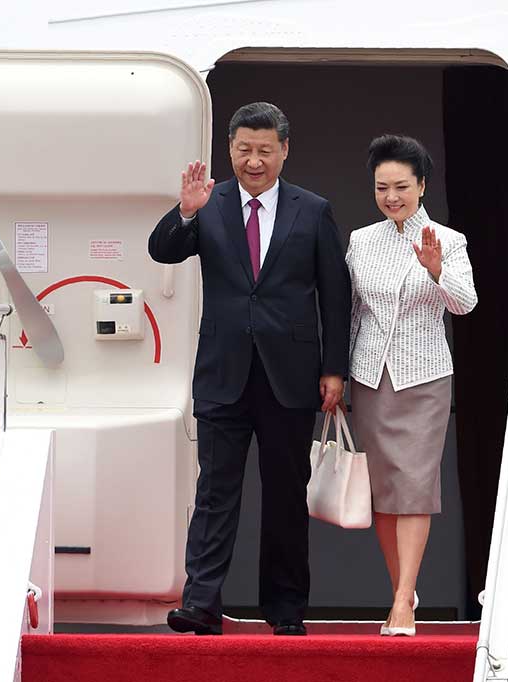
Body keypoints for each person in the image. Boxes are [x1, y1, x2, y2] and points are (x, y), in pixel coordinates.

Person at [149, 102, 351, 636]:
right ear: (230, 150)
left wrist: (335, 369)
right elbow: (162, 251)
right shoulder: (209, 203)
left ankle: (284, 610)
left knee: (286, 493)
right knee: (215, 490)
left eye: (265, 150)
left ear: (284, 150)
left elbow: (335, 295)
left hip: (291, 373)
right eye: (244, 150)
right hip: (223, 372)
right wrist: (186, 212)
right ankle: (201, 603)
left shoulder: (313, 210)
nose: (253, 161)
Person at [345, 135, 477, 636]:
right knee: (384, 492)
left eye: (402, 186)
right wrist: (337, 372)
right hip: (370, 377)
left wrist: (437, 270)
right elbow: (353, 312)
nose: (392, 196)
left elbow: (465, 304)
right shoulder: (361, 239)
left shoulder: (449, 239)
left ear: (422, 186)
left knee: (416, 488)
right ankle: (403, 583)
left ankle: (402, 603)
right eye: (383, 187)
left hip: (423, 376)